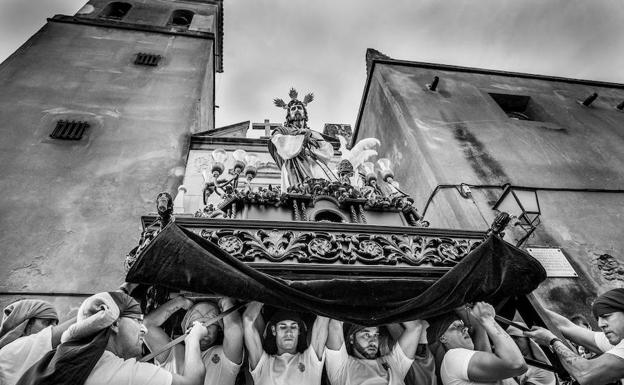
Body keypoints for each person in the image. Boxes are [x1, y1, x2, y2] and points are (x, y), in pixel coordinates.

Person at [15, 291, 208, 385]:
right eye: (136, 321)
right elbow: (192, 383)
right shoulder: (119, 372)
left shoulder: (60, 358)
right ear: (114, 323)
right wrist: (193, 340)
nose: (143, 330)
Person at [524, 288, 624, 385]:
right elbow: (565, 326)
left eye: (606, 316)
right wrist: (527, 302)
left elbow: (585, 373)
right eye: (598, 319)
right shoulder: (618, 341)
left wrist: (552, 341)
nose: (600, 324)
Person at [143, 296, 243, 385]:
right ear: (186, 327)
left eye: (211, 323)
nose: (204, 329)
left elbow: (234, 330)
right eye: (196, 323)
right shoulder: (171, 352)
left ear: (219, 329)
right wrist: (179, 302)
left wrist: (226, 302)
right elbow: (147, 325)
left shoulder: (225, 355)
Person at [427, 302, 527, 385]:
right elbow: (517, 364)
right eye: (457, 327)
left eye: (463, 325)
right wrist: (487, 319)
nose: (465, 329)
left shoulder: (460, 361)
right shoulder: (452, 358)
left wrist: (466, 310)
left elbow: (480, 330)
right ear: (443, 338)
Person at [243, 301, 329, 385]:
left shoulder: (310, 360)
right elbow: (248, 320)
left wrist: (262, 296)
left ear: (299, 331)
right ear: (274, 330)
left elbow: (248, 320)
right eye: (283, 327)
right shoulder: (264, 364)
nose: (288, 333)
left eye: (293, 327)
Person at [269, 88, 336, 191]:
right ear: (289, 115)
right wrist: (302, 139)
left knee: (324, 191)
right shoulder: (282, 130)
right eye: (293, 109)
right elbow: (277, 140)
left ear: (304, 112)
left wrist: (313, 142)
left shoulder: (314, 133)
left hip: (314, 165)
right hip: (294, 166)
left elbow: (327, 153)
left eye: (299, 107)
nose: (296, 110)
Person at [325, 318, 427, 385]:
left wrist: (387, 305)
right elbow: (335, 324)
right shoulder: (341, 367)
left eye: (376, 335)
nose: (373, 341)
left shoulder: (393, 363)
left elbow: (415, 328)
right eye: (366, 335)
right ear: (351, 338)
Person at [0, 299, 75, 385]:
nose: (53, 328)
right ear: (26, 324)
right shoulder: (14, 348)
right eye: (47, 322)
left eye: (55, 324)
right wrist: (87, 313)